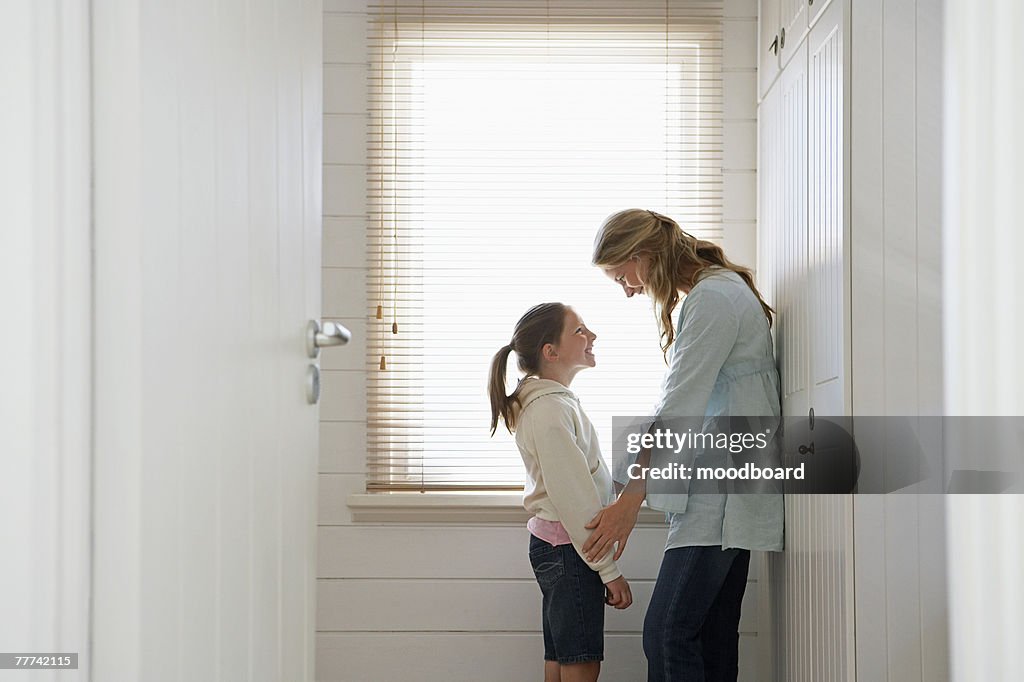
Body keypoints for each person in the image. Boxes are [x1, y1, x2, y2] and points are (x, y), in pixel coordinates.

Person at [583, 209, 784, 682]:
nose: (628, 290)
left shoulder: (712, 298)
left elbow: (679, 405)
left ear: (640, 256)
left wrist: (632, 497)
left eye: (621, 277)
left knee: (667, 633)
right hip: (732, 485)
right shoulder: (715, 291)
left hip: (723, 496)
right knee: (712, 638)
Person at [488, 302, 633, 682]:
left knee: (562, 656)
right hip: (570, 552)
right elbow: (574, 498)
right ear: (550, 352)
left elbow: (584, 476)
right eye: (580, 330)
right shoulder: (549, 411)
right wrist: (608, 570)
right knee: (580, 662)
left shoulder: (550, 405)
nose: (592, 336)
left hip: (560, 547)